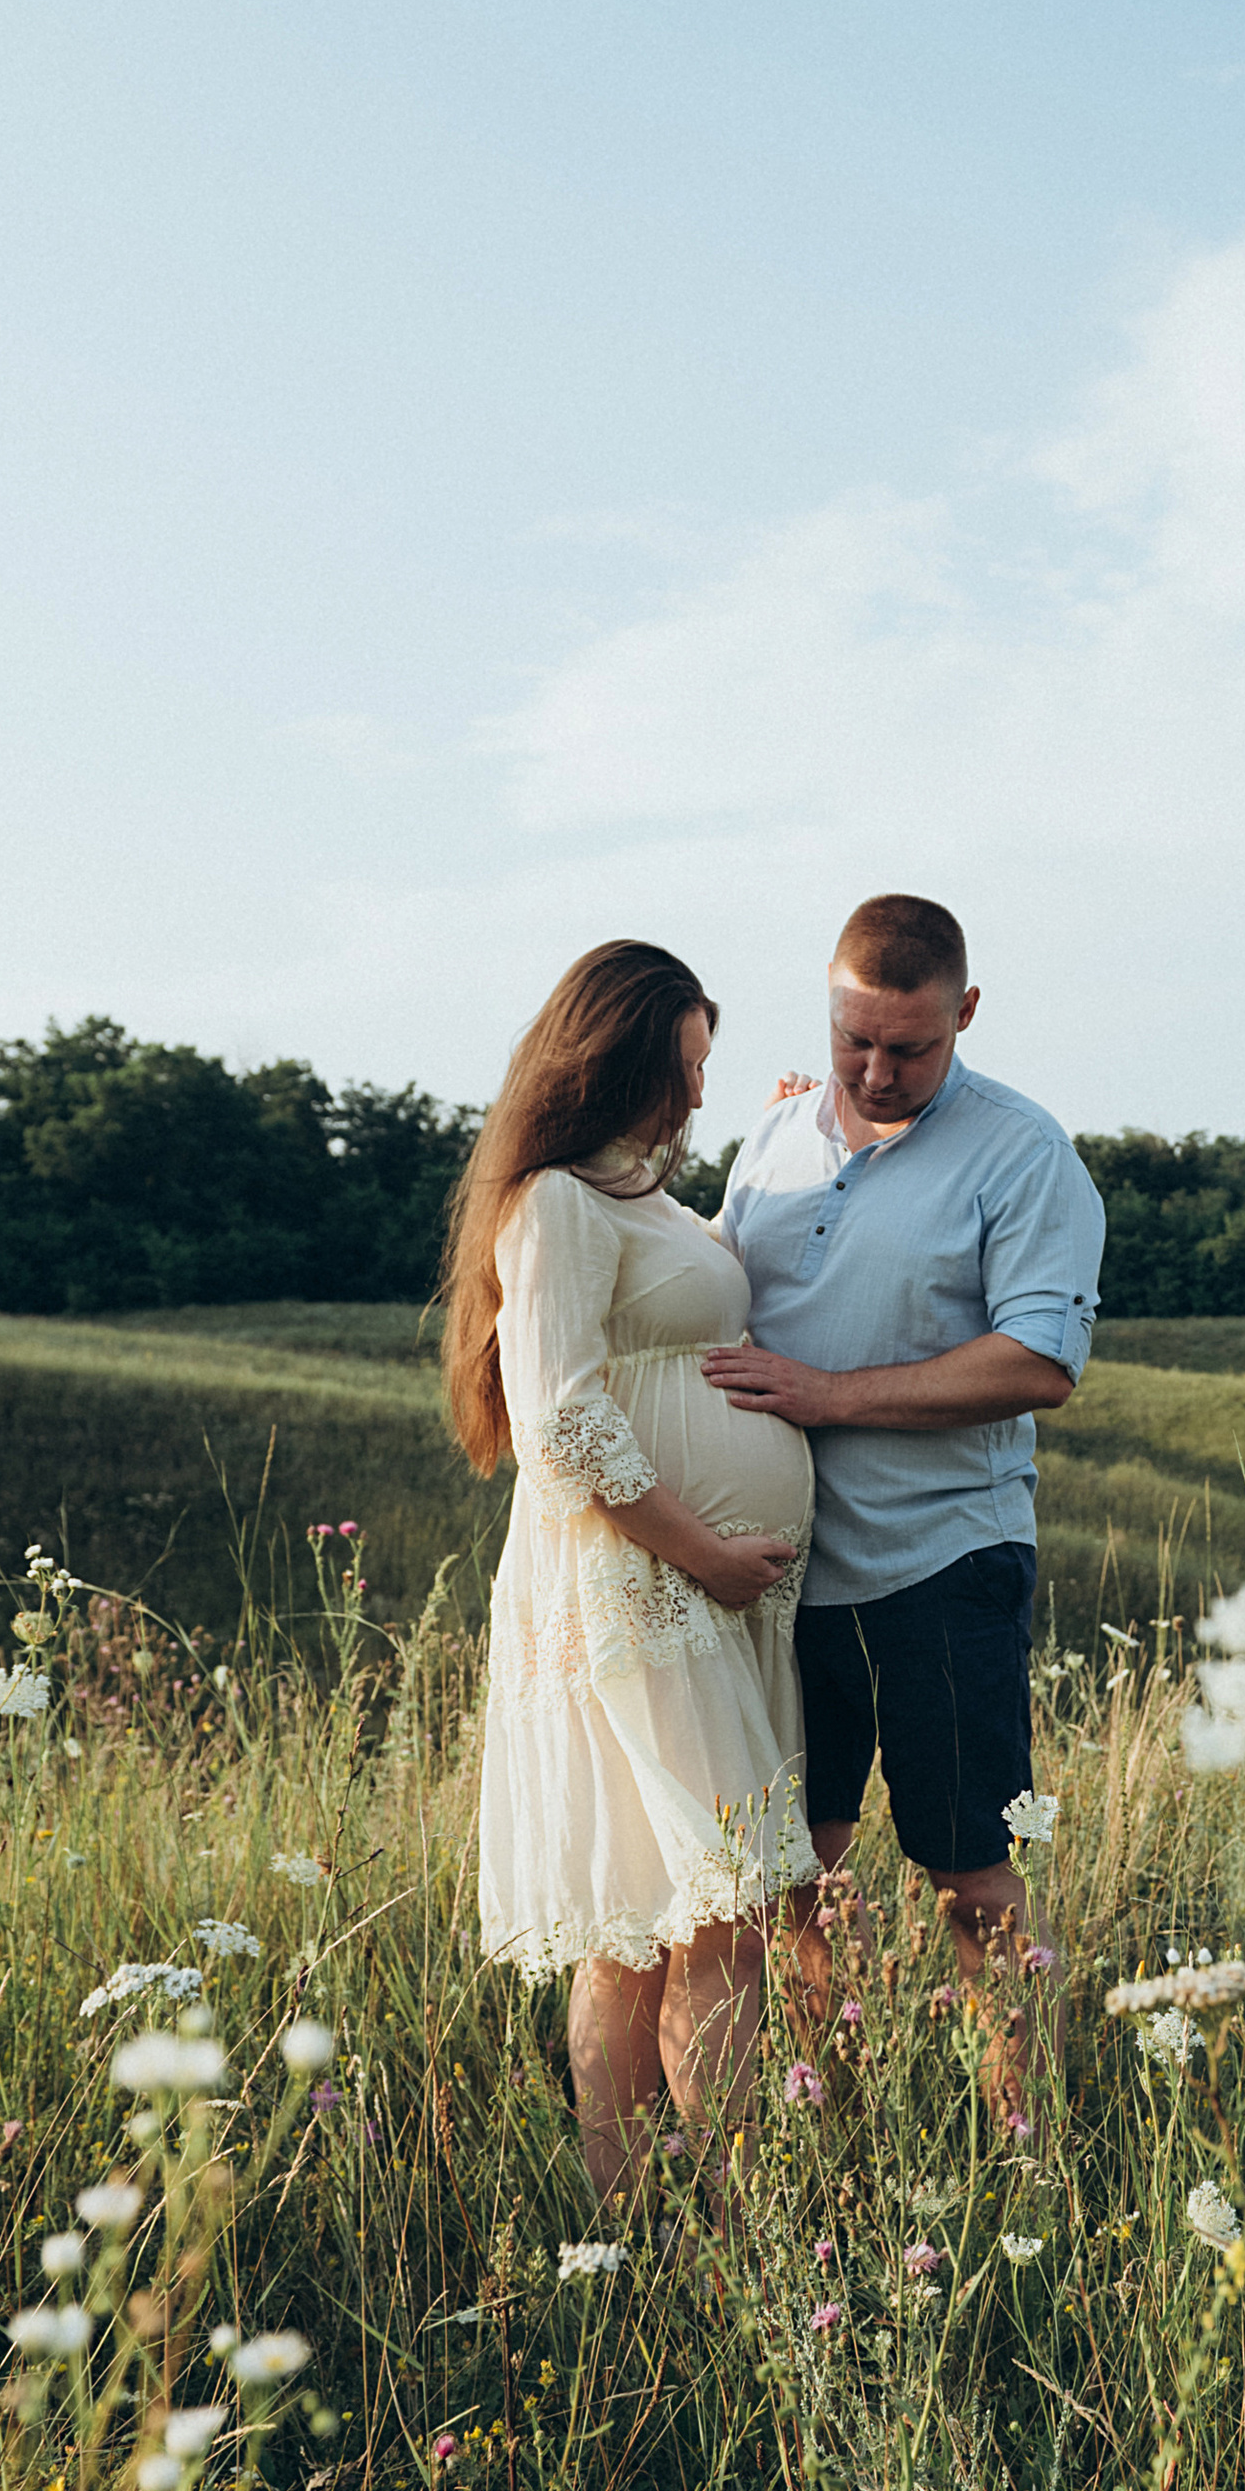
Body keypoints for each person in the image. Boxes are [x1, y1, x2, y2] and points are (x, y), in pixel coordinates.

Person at [702, 893, 1105, 2120]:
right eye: (853, 1042)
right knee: (793, 1875)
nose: (877, 1072)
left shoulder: (1023, 1155)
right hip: (781, 1577)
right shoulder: (768, 1140)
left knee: (969, 1875)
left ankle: (1015, 2137)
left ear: (965, 1014)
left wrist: (828, 1395)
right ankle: (833, 2121)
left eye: (910, 1048)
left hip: (942, 1563)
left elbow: (1040, 1360)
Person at [444, 942, 815, 2201]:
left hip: (696, 1603)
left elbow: (686, 1275)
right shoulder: (554, 1202)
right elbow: (557, 1420)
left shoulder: (643, 1199)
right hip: (641, 1595)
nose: (700, 1095)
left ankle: (665, 2232)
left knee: (665, 1921)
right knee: (705, 1919)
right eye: (687, 1068)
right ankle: (715, 2228)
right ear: (617, 1062)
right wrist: (708, 1553)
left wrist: (774, 1139)